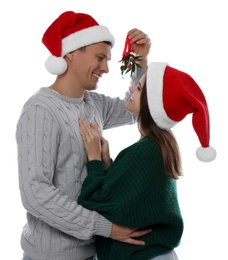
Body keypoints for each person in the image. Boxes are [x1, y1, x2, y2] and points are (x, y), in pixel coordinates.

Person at [16, 11, 152, 260]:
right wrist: (107, 228)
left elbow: (134, 110)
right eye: (100, 58)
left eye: (108, 59)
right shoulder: (40, 110)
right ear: (70, 53)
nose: (106, 68)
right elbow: (36, 194)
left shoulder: (93, 104)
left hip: (95, 252)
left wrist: (140, 64)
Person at [78, 62, 217, 260]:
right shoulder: (161, 145)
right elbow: (131, 200)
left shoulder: (143, 151)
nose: (131, 88)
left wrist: (94, 160)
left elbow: (95, 203)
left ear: (152, 103)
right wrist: (108, 163)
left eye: (139, 87)